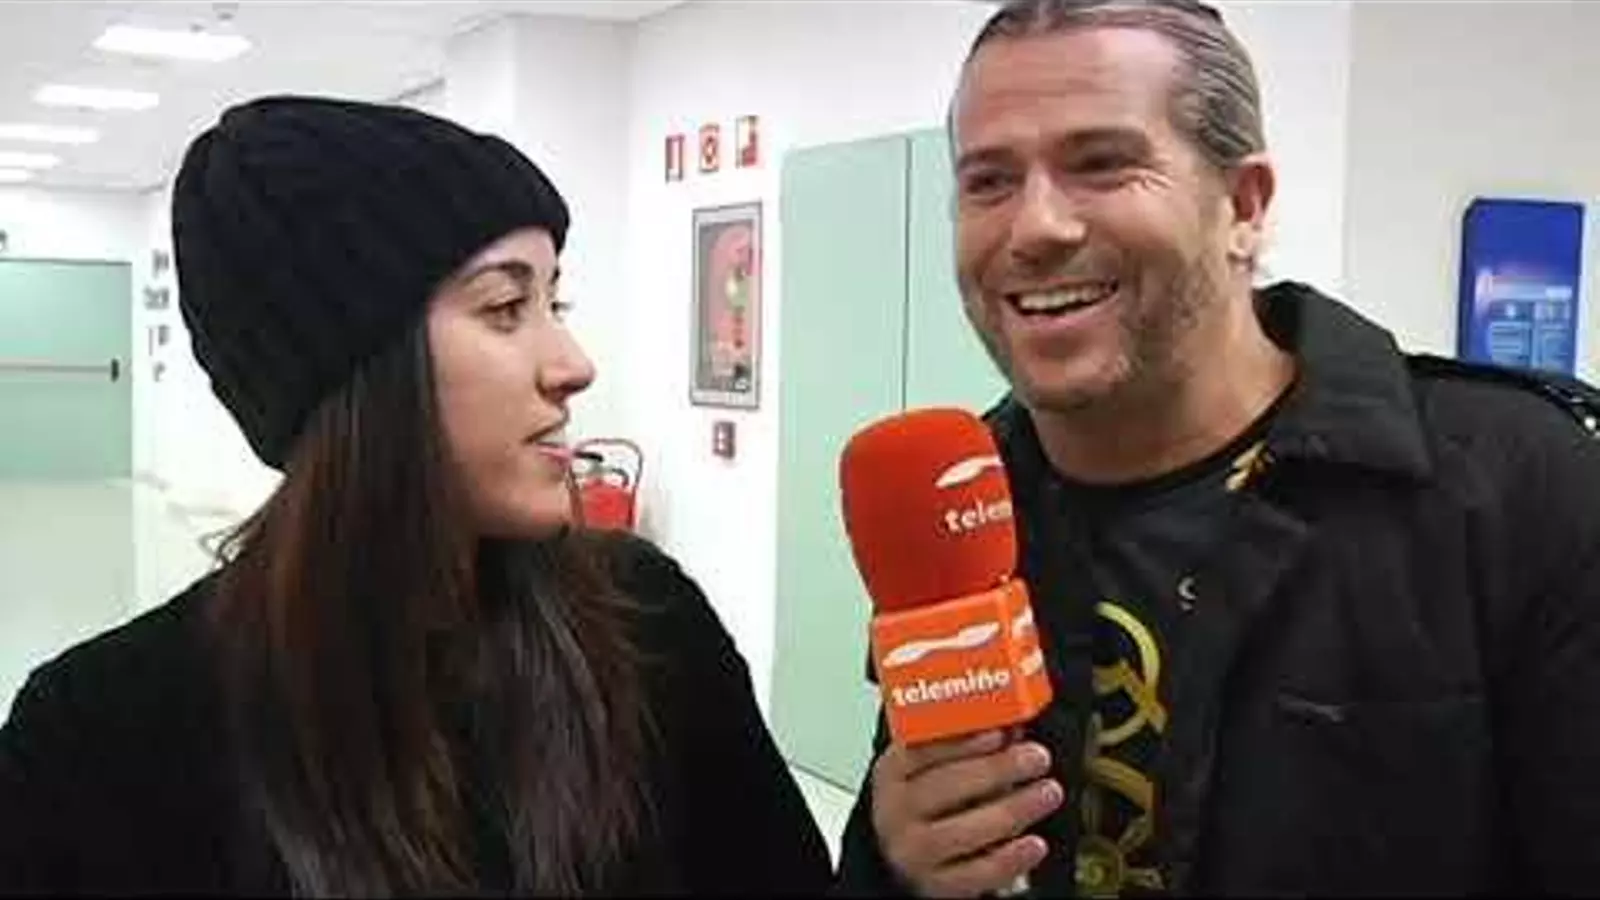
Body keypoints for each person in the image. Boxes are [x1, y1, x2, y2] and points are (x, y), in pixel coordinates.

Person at [836, 0, 1600, 895]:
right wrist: (895, 860)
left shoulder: (1521, 490)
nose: (1034, 227)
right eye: (989, 181)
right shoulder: (960, 514)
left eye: (1101, 164)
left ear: (1244, 205)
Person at [0, 97, 831, 896]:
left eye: (556, 300)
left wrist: (886, 858)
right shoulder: (99, 738)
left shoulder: (647, 625)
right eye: (506, 306)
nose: (574, 363)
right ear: (358, 375)